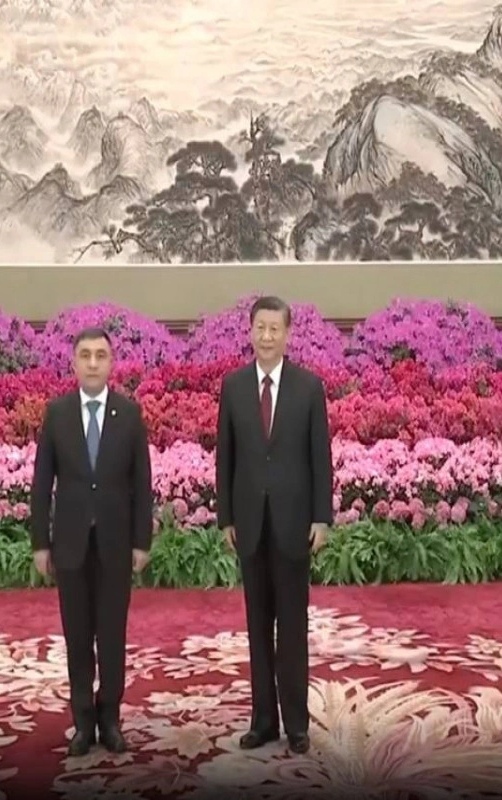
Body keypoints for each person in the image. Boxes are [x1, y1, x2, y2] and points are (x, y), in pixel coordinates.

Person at [216, 295, 334, 755]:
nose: (266, 336)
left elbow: (320, 458)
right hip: (249, 525)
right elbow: (225, 457)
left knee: (293, 627)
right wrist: (226, 516)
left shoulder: (308, 387)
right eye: (259, 328)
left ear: (287, 334)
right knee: (258, 625)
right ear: (250, 332)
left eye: (274, 329)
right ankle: (263, 720)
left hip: (293, 525)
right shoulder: (233, 387)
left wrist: (321, 517)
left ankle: (297, 725)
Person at [29, 327, 153, 757]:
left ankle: (110, 719)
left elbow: (142, 484)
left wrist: (142, 542)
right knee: (78, 636)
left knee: (112, 635)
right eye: (86, 355)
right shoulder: (58, 414)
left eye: (101, 355)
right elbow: (42, 482)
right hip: (70, 544)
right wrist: (40, 543)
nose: (94, 363)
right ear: (74, 362)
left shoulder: (129, 414)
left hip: (117, 545)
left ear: (112, 362)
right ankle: (82, 722)